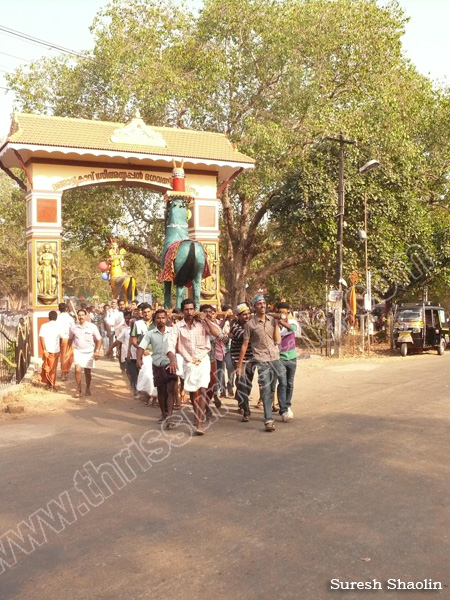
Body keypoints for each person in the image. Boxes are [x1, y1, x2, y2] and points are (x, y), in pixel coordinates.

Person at [167, 298, 221, 435]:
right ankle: (197, 415)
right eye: (186, 309)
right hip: (188, 362)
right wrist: (172, 359)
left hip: (203, 359)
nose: (189, 312)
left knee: (203, 389)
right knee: (193, 392)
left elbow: (216, 333)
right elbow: (170, 346)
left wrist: (206, 320)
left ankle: (199, 422)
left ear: (195, 309)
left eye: (191, 309)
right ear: (182, 311)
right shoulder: (177, 327)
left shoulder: (202, 324)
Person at [236, 295, 289, 432]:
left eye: (264, 303)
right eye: (259, 304)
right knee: (265, 389)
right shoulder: (250, 325)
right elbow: (244, 345)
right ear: (254, 307)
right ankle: (268, 420)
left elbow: (277, 339)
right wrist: (239, 366)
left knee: (282, 381)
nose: (263, 306)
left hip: (275, 357)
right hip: (261, 359)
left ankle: (284, 408)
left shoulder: (272, 320)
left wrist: (277, 324)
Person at [137, 309, 177, 428]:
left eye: (163, 317)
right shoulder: (150, 334)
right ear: (154, 321)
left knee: (170, 390)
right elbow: (141, 347)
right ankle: (163, 413)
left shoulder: (173, 332)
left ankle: (169, 416)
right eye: (158, 318)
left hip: (170, 363)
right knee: (160, 390)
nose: (161, 320)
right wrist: (139, 359)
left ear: (167, 319)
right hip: (157, 364)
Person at [68, 309, 102, 397]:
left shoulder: (92, 327)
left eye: (82, 315)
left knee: (87, 372)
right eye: (79, 315)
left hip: (89, 351)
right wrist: (68, 351)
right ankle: (78, 388)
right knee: (77, 370)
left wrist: (97, 351)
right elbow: (70, 339)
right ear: (77, 317)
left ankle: (87, 387)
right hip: (78, 351)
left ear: (86, 316)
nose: (81, 317)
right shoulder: (73, 328)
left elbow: (99, 339)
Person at [229, 303, 255, 422]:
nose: (247, 316)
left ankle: (240, 397)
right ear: (238, 316)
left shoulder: (252, 324)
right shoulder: (235, 327)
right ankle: (246, 411)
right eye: (244, 314)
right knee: (243, 382)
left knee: (248, 384)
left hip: (251, 358)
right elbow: (245, 336)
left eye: (248, 314)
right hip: (237, 358)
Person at [275, 301, 298, 412]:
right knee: (282, 383)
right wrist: (277, 322)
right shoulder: (274, 325)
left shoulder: (293, 322)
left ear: (288, 312)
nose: (282, 315)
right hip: (280, 358)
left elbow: (293, 329)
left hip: (292, 357)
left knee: (290, 383)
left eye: (284, 312)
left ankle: (287, 405)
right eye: (280, 312)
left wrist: (282, 322)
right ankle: (283, 408)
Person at [39, 310, 61, 391]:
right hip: (55, 350)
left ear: (49, 317)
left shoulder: (44, 326)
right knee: (53, 368)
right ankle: (51, 385)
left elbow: (41, 338)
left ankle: (49, 384)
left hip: (47, 350)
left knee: (47, 367)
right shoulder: (59, 326)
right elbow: (62, 338)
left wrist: (44, 349)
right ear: (56, 318)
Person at [57, 302, 74, 381]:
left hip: (59, 338)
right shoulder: (69, 318)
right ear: (66, 309)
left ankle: (63, 373)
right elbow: (73, 328)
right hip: (67, 338)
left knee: (62, 356)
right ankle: (64, 373)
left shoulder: (57, 317)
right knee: (67, 356)